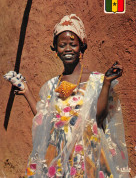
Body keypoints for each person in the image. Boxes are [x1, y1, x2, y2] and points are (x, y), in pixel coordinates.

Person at [4, 14, 129, 178]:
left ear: (82, 46)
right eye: (62, 45)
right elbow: (46, 120)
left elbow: (98, 118)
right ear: (55, 49)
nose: (68, 49)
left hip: (90, 160)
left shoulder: (96, 80)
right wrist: (27, 91)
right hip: (61, 161)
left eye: (73, 44)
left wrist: (106, 83)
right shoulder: (54, 85)